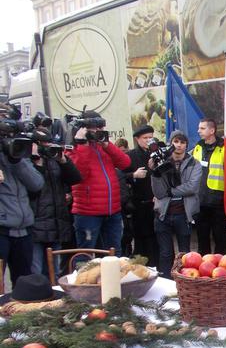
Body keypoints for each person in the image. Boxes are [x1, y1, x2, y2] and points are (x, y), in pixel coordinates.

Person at [68, 110, 131, 253]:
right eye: (95, 127)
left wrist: (107, 145)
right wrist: (82, 145)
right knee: (86, 254)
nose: (99, 131)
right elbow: (78, 174)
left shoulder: (103, 146)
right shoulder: (74, 148)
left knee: (114, 253)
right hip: (88, 213)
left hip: (112, 210)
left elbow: (125, 163)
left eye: (101, 127)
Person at [29, 127, 81, 276]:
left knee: (55, 271)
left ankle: (54, 298)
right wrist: (36, 162)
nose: (46, 147)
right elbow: (33, 188)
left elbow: (76, 178)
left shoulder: (54, 159)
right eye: (42, 144)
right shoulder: (26, 161)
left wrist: (63, 160)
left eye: (48, 143)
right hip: (37, 223)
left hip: (57, 222)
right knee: (36, 271)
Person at [151, 130, 202, 277]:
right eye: (176, 142)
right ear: (171, 143)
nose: (179, 145)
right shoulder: (162, 162)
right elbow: (158, 192)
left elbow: (192, 187)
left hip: (183, 214)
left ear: (186, 145)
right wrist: (155, 171)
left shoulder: (194, 163)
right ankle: (167, 281)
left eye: (182, 142)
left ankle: (184, 281)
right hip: (163, 214)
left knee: (185, 254)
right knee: (166, 253)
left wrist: (171, 192)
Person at [0, 128, 45, 287]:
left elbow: (37, 184)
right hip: (2, 230)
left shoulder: (17, 156)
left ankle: (19, 311)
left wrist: (16, 161)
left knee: (24, 283)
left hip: (24, 230)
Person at [191, 118, 226, 255]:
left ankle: (223, 271)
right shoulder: (198, 147)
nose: (198, 131)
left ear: (212, 130)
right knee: (202, 238)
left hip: (217, 200)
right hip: (200, 201)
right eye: (199, 128)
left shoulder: (224, 148)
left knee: (220, 238)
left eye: (202, 128)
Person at [126, 125, 158, 266]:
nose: (148, 140)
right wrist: (133, 175)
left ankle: (156, 267)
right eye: (145, 138)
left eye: (150, 137)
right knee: (141, 240)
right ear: (137, 139)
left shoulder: (156, 154)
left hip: (155, 203)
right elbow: (120, 176)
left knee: (155, 239)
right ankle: (140, 267)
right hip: (138, 204)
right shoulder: (130, 156)